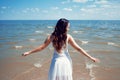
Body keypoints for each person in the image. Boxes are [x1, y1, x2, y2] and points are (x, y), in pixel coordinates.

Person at [22, 18, 99, 80]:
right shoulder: (68, 37)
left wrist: (29, 52)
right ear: (63, 27)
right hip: (66, 62)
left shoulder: (51, 36)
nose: (68, 28)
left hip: (56, 62)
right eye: (68, 27)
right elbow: (78, 49)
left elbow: (42, 47)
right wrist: (90, 57)